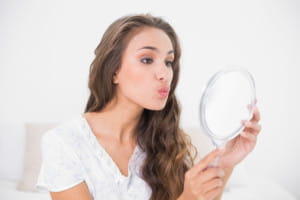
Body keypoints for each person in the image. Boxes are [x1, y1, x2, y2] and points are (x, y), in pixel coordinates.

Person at [36, 14, 261, 200]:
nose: (164, 73)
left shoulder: (165, 142)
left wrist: (226, 163)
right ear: (114, 71)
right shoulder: (64, 143)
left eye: (168, 61)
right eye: (147, 59)